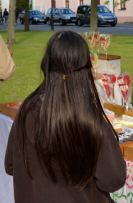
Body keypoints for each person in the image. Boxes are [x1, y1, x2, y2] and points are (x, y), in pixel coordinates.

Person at [5, 31, 126, 203]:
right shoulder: (88, 119)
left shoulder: (27, 110)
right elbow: (114, 179)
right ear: (86, 70)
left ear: (46, 65)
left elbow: (11, 165)